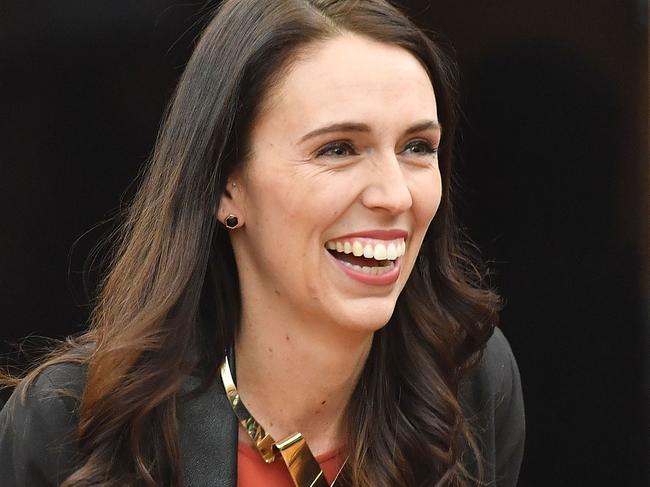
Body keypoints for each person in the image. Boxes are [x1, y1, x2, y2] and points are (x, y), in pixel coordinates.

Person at [0, 0, 525, 486]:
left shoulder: (467, 379)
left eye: (417, 147)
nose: (394, 194)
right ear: (227, 185)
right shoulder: (73, 424)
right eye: (338, 149)